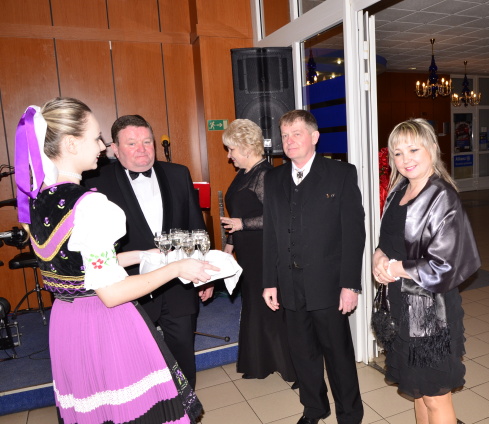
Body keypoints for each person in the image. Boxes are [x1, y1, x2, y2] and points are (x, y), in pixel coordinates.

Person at [14, 97, 217, 423]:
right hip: (102, 318)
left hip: (66, 320)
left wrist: (139, 255)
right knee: (133, 409)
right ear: (71, 143)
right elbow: (110, 293)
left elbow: (81, 265)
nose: (101, 147)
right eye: (96, 138)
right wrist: (177, 267)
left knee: (97, 409)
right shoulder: (91, 204)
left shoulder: (39, 198)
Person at [85, 114, 212, 389]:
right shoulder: (96, 182)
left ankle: (185, 406)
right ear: (114, 149)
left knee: (183, 354)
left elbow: (196, 227)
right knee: (135, 362)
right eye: (132, 143)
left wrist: (206, 274)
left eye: (147, 141)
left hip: (180, 286)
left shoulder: (178, 173)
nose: (142, 149)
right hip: (130, 287)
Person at [372, 119, 480, 424]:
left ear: (432, 148)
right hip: (400, 304)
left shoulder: (442, 197)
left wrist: (395, 267)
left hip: (430, 311)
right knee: (417, 390)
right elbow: (388, 241)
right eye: (397, 153)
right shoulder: (399, 191)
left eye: (413, 150)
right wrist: (379, 257)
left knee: (434, 395)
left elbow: (445, 265)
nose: (405, 159)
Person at [262, 110, 365, 424]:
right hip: (289, 285)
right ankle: (314, 408)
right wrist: (269, 281)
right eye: (285, 135)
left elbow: (354, 234)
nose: (289, 141)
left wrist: (350, 284)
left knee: (338, 356)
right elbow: (271, 234)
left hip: (329, 285)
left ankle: (350, 415)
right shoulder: (274, 178)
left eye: (297, 133)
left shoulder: (341, 174)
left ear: (314, 137)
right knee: (302, 354)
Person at [220, 119, 297, 383]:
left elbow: (277, 217)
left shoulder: (265, 175)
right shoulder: (244, 173)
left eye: (231, 149)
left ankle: (290, 366)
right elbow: (238, 213)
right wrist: (229, 247)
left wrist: (242, 224)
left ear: (245, 147)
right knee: (255, 305)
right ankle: (260, 362)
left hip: (265, 251)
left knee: (271, 308)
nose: (229, 156)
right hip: (247, 251)